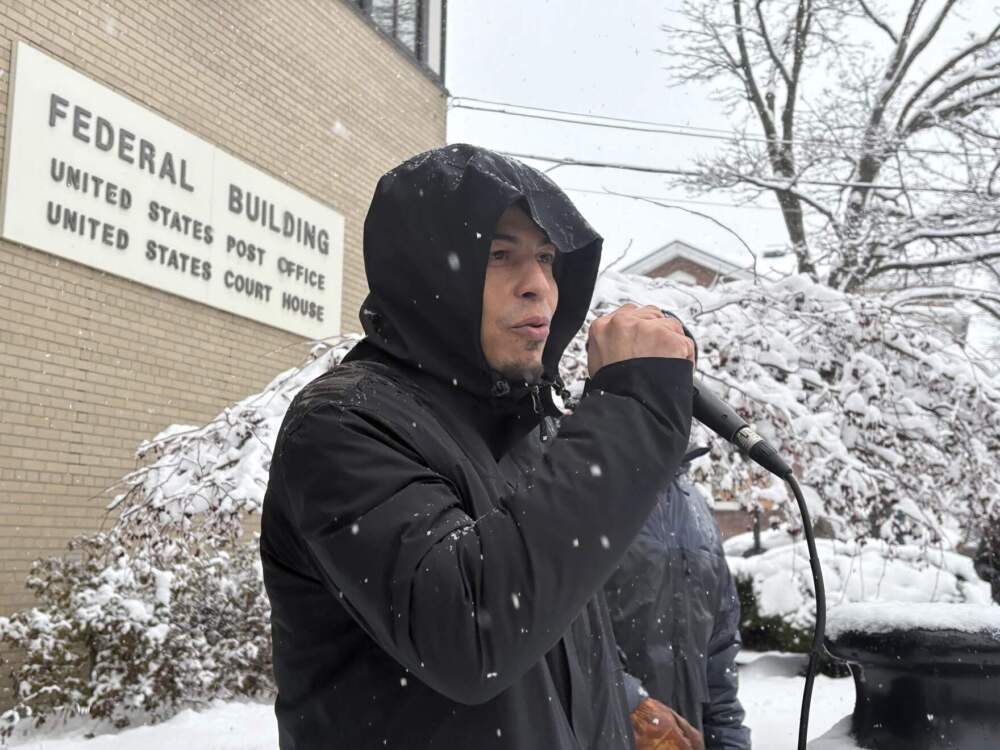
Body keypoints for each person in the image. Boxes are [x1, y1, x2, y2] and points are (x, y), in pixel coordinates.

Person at [259, 144, 699, 748]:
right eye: (500, 256)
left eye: (547, 258)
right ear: (425, 272)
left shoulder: (531, 428)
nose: (540, 287)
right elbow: (469, 632)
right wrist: (630, 411)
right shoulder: (342, 425)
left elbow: (556, 642)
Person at [606, 452, 752, 750]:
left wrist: (728, 741)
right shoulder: (580, 485)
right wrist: (632, 705)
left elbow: (719, 647)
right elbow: (554, 637)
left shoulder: (694, 507)